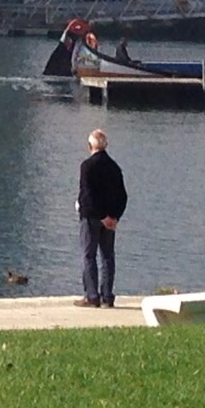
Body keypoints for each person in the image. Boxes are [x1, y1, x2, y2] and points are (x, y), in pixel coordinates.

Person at [75, 128, 128, 309]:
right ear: (106, 145)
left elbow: (87, 196)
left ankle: (92, 296)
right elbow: (123, 196)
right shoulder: (114, 167)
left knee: (88, 256)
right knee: (107, 257)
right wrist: (114, 217)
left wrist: (101, 216)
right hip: (110, 220)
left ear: (89, 146)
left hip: (91, 218)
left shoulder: (87, 166)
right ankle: (107, 296)